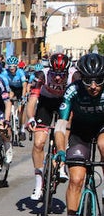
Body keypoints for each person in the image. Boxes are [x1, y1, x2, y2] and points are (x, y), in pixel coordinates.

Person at [53, 53, 104, 216]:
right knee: (75, 179)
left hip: (102, 129)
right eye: (88, 81)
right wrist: (61, 150)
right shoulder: (72, 90)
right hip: (79, 133)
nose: (93, 86)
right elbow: (60, 125)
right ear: (80, 78)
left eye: (99, 80)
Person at [25, 52, 70, 201]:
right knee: (38, 143)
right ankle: (38, 184)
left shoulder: (74, 76)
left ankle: (62, 162)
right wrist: (31, 118)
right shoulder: (41, 75)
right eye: (55, 73)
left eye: (61, 74)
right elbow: (32, 101)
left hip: (65, 102)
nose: (57, 78)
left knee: (65, 128)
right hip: (46, 103)